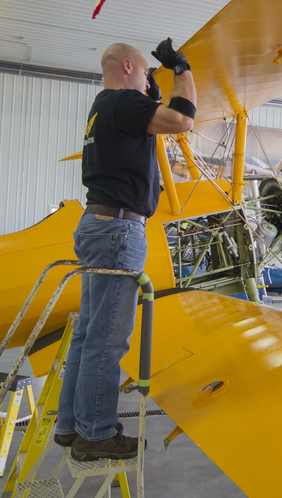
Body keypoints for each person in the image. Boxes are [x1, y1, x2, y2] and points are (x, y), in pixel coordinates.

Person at [54, 39, 196, 460]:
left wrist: (150, 89)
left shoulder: (104, 106)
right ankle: (95, 434)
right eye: (148, 75)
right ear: (130, 66)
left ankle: (70, 425)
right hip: (119, 229)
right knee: (109, 339)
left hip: (97, 224)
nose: (152, 82)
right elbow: (183, 120)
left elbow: (148, 116)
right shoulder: (122, 102)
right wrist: (182, 69)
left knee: (88, 333)